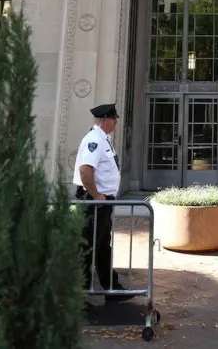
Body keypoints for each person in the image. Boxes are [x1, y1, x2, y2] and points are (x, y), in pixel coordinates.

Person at [74, 102, 129, 298]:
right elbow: (85, 170)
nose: (116, 122)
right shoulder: (94, 140)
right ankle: (80, 294)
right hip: (94, 202)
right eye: (114, 119)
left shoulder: (104, 139)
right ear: (105, 120)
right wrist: (96, 195)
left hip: (103, 203)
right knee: (87, 247)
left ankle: (111, 288)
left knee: (103, 246)